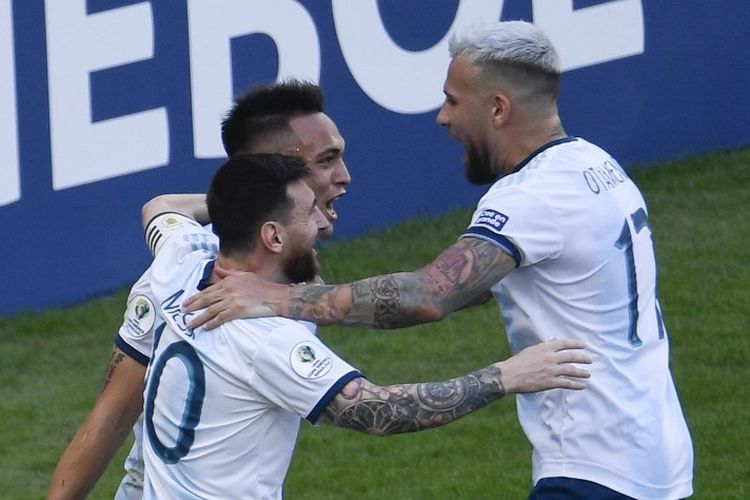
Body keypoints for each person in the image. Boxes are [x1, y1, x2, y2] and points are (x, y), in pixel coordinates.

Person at [183, 21, 694, 499]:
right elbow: (471, 287)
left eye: (453, 101)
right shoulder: (594, 164)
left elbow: (428, 297)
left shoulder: (531, 196)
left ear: (497, 109)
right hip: (656, 451)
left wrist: (277, 297)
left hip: (595, 465)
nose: (442, 117)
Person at [140, 152, 590, 498]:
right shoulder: (264, 339)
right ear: (273, 237)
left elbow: (158, 207)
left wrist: (237, 206)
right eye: (309, 212)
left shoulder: (183, 257)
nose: (324, 223)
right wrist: (507, 375)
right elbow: (379, 411)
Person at [47, 80, 350, 499]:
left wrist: (250, 199)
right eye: (327, 160)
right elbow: (111, 418)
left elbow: (161, 207)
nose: (344, 176)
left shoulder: (280, 260)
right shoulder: (181, 274)